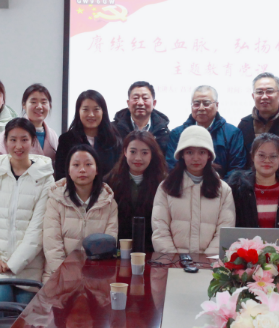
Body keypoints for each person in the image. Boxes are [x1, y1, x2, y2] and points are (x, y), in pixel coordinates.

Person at [0, 118, 55, 310]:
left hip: (28, 269)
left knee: (25, 319)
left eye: (24, 139)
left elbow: (38, 228)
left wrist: (14, 264)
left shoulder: (45, 178)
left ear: (33, 141)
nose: (18, 146)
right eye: (13, 140)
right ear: (5, 141)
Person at [151, 126, 235, 254]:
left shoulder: (223, 190)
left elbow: (224, 230)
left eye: (202, 152)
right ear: (182, 155)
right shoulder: (166, 187)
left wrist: (206, 261)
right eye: (189, 152)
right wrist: (174, 260)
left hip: (210, 263)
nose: (196, 158)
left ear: (209, 155)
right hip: (172, 262)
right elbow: (160, 229)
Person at [43, 145, 118, 280]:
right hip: (59, 277)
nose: (82, 170)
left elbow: (107, 248)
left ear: (97, 170)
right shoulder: (55, 200)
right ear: (68, 170)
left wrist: (91, 280)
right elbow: (52, 247)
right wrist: (69, 278)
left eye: (88, 164)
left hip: (96, 278)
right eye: (76, 165)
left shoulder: (109, 203)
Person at [226, 133, 279, 252]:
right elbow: (231, 230)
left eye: (273, 156)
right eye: (261, 155)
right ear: (252, 156)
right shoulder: (238, 190)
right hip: (246, 258)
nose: (267, 160)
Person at [105, 130, 167, 252]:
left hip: (153, 249)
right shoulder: (109, 182)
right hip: (118, 249)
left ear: (152, 154)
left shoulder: (164, 184)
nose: (138, 158)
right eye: (133, 152)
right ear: (125, 152)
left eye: (144, 153)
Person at [166, 85, 246, 178]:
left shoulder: (232, 133)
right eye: (196, 104)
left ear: (217, 105)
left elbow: (236, 169)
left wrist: (219, 185)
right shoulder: (178, 134)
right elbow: (172, 166)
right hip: (184, 186)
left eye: (206, 103)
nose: (201, 108)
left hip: (221, 185)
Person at [54, 90, 121, 181]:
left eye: (96, 109)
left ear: (103, 112)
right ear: (78, 112)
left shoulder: (113, 139)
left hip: (108, 189)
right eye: (85, 109)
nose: (91, 115)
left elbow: (118, 173)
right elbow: (61, 175)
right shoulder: (66, 140)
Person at [113, 81, 171, 154]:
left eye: (145, 98)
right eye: (135, 98)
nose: (140, 103)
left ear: (154, 103)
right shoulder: (113, 130)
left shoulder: (163, 132)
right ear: (128, 103)